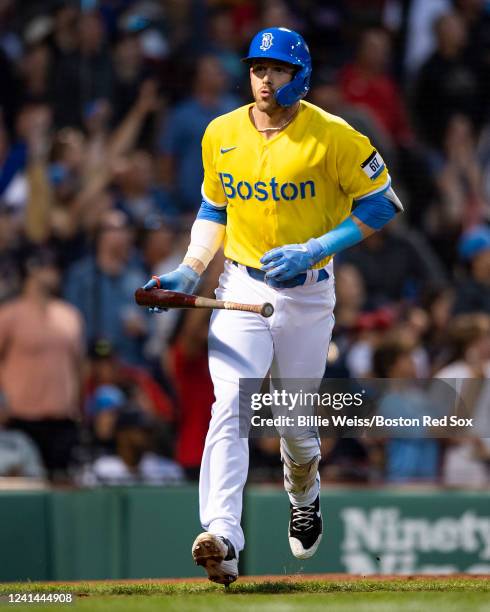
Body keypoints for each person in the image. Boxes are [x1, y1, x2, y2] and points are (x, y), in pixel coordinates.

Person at [143, 27, 403, 585]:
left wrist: (318, 247)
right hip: (241, 285)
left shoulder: (334, 135)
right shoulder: (222, 131)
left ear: (299, 75)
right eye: (258, 68)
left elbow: (384, 203)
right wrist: (190, 270)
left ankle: (304, 495)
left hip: (309, 291)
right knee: (230, 405)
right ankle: (222, 536)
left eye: (278, 69)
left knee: (294, 425)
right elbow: (215, 208)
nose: (265, 79)